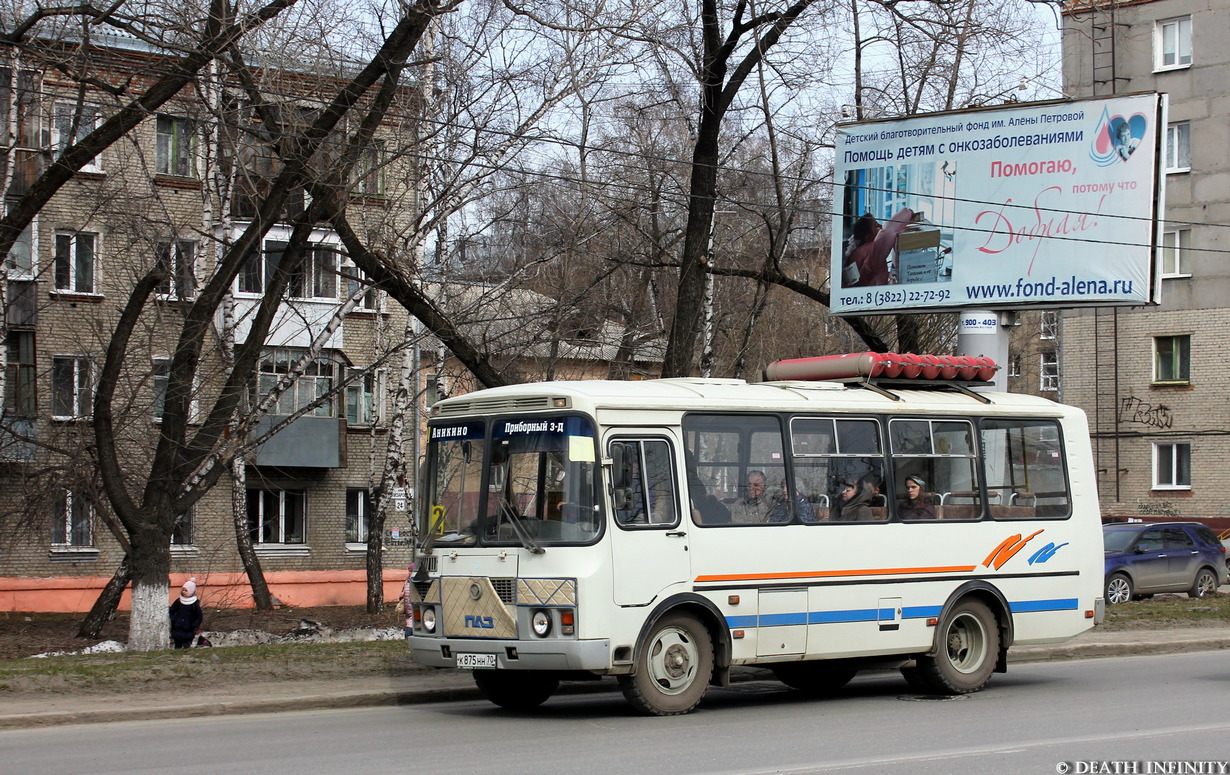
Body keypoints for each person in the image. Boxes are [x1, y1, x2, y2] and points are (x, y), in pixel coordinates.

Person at [842, 208, 916, 288]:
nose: (880, 226)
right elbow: (890, 230)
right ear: (868, 237)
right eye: (876, 225)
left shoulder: (857, 254)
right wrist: (909, 213)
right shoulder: (870, 252)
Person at [169, 577, 203, 649]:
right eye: (183, 590)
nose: (184, 592)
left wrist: (193, 625)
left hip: (188, 630)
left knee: (186, 646)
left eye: (186, 590)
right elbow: (172, 610)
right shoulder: (179, 601)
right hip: (177, 629)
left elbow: (199, 616)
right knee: (177, 646)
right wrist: (174, 619)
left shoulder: (194, 604)